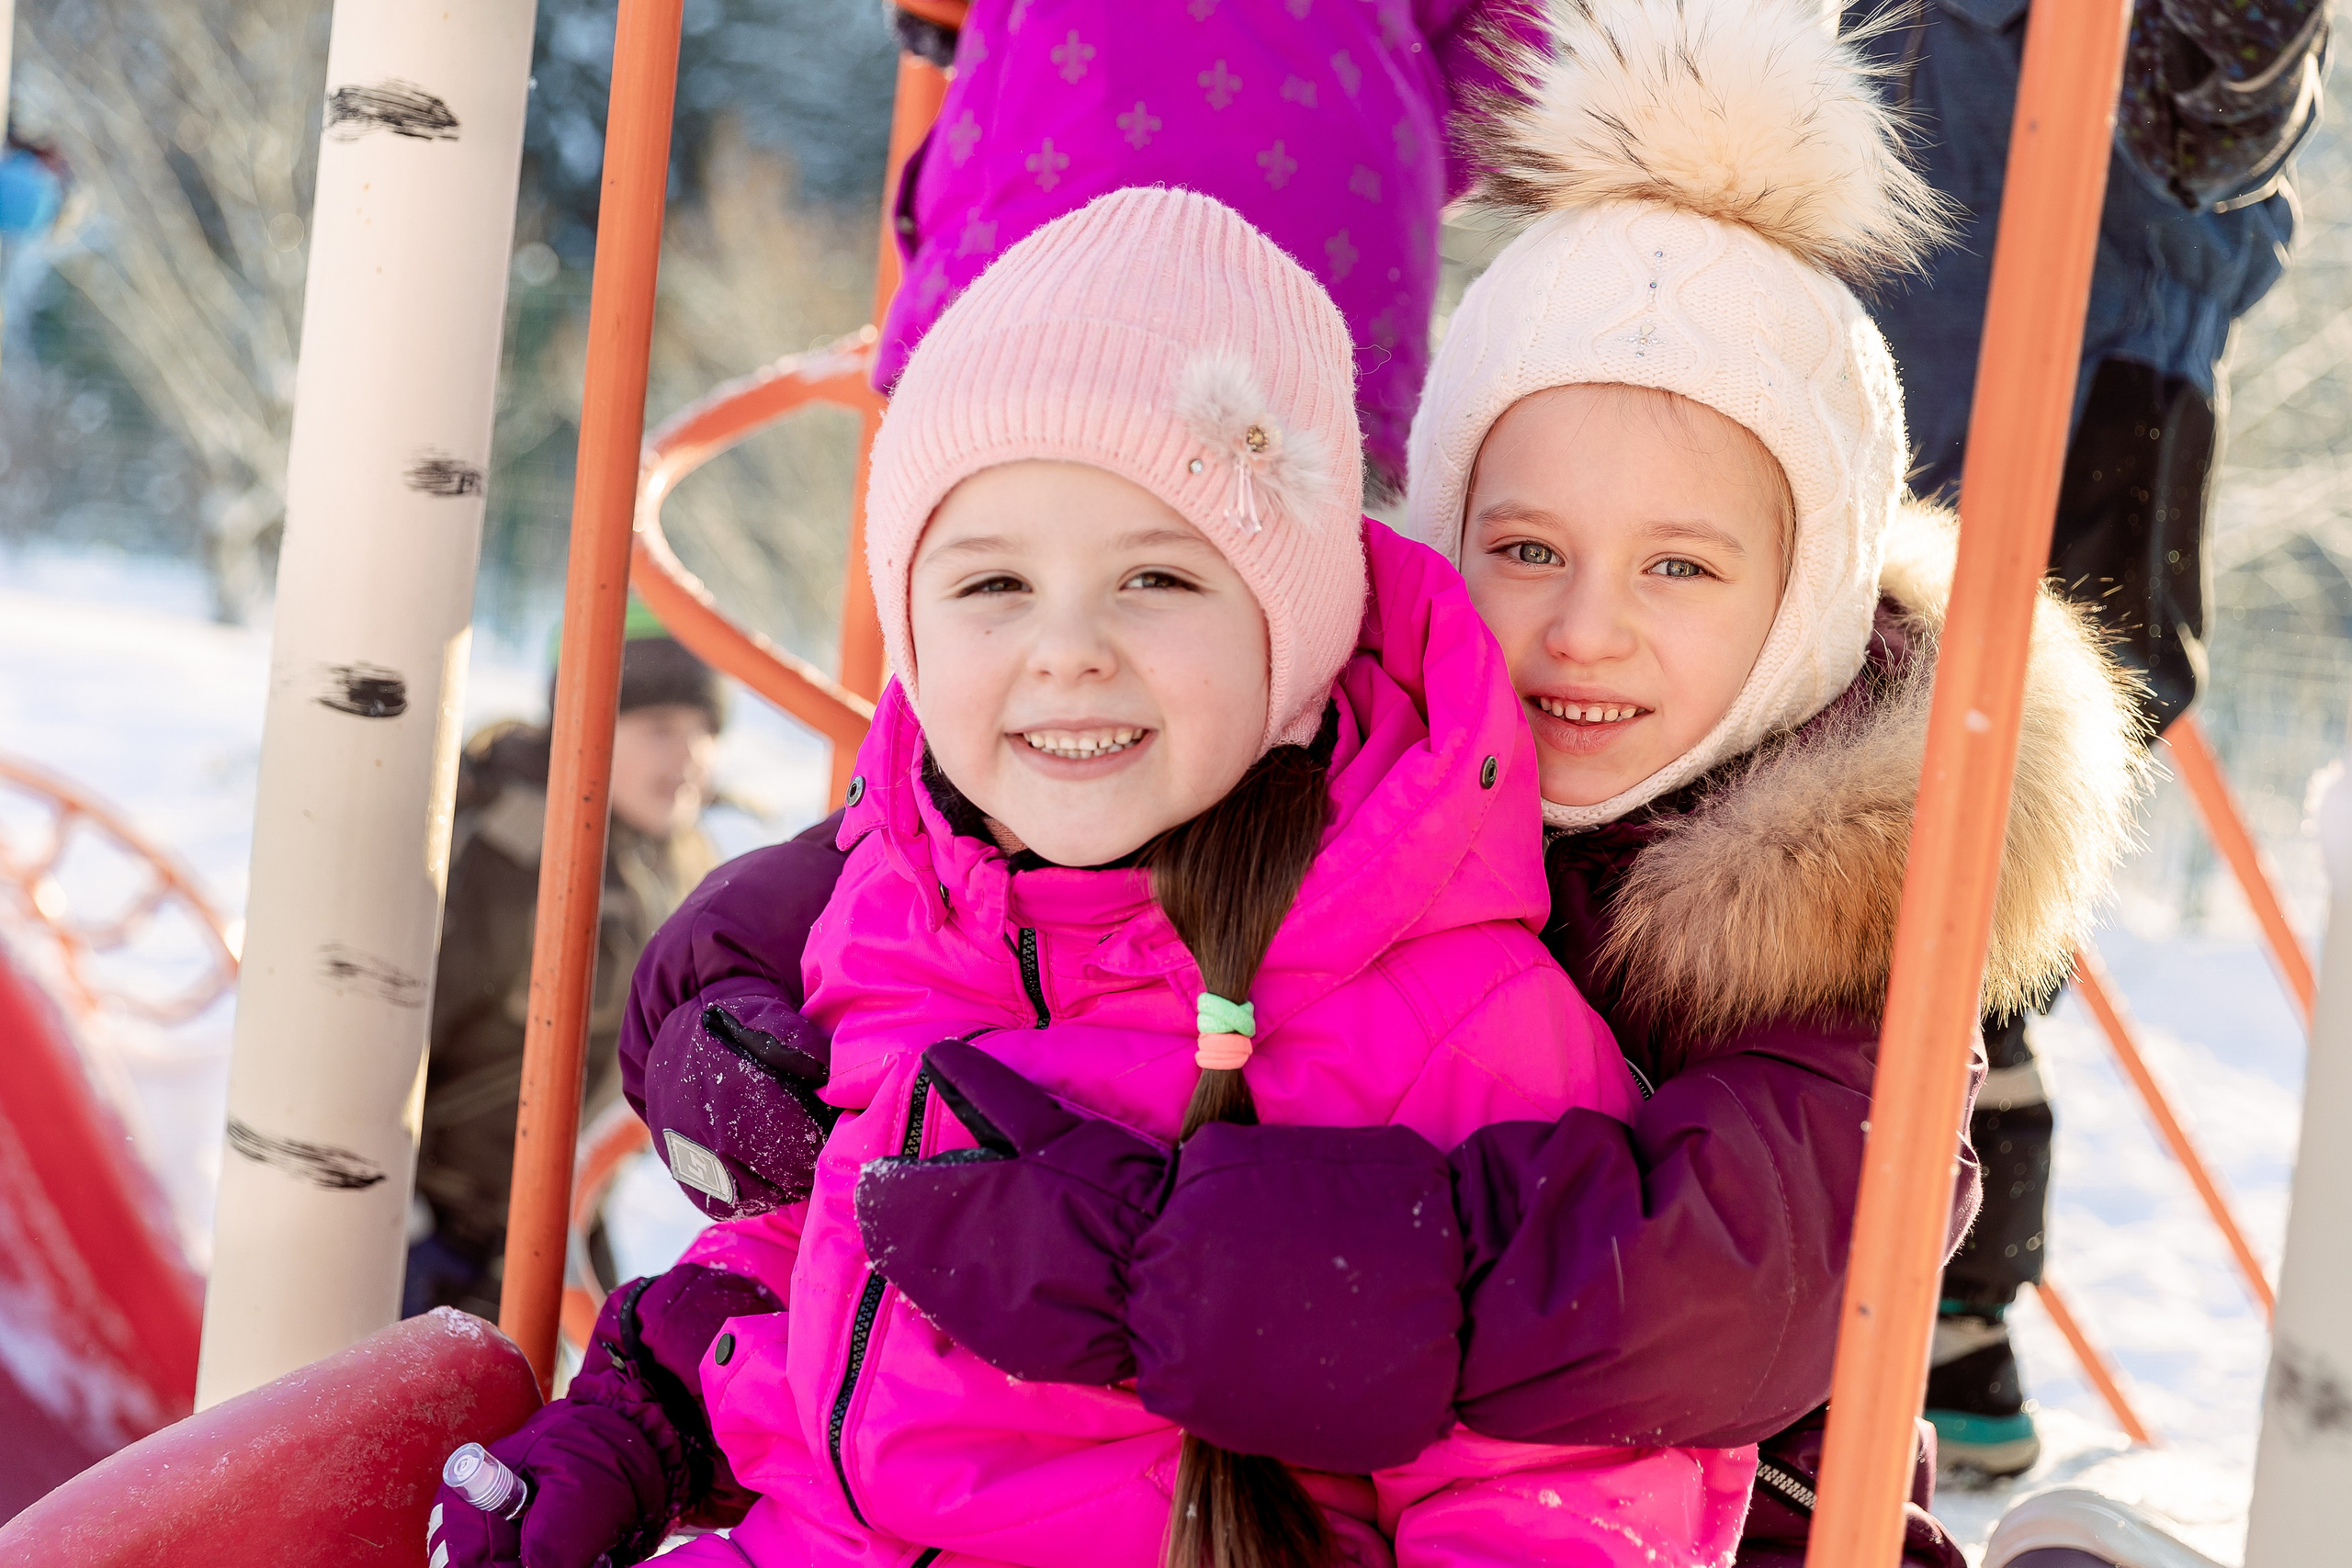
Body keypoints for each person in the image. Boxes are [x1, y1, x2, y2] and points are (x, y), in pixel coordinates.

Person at [430, 5, 2143, 1565]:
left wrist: (1172, 1260)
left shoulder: (1834, 915)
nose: (1581, 629)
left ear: (1811, 600)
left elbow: (1730, 1284)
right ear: (1439, 533)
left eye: (1683, 569)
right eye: (1523, 544)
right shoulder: (1333, 765)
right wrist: (717, 1007)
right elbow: (921, 885)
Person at [1847, 0, 2329, 1474]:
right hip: (1894, 430)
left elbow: (2228, 123)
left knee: (1977, 902)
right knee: (1880, 899)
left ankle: (1957, 1314)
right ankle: (1930, 1310)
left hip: (2075, 432)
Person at [876, 0, 1530, 495]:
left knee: (1012, 579)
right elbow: (1510, 48)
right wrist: (1390, 157)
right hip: (1329, 264)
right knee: (1282, 603)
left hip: (1050, 240)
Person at [402, 605, 726, 1320]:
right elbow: (408, 1027)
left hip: (570, 1207)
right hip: (449, 1224)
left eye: (705, 731)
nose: (691, 756)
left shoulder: (683, 856)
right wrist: (399, 1202)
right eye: (660, 729)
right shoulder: (517, 858)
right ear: (588, 731)